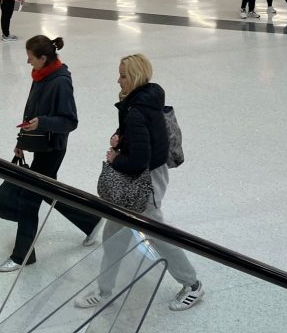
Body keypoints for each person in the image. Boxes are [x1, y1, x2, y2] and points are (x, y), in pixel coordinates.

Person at [74, 54, 204, 313]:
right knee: (113, 235)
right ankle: (104, 291)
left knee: (158, 235)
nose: (118, 79)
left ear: (133, 77)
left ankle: (192, 285)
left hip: (144, 183)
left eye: (122, 75)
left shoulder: (136, 110)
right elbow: (146, 139)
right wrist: (121, 139)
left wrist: (115, 158)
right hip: (145, 179)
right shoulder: (145, 100)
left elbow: (139, 160)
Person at [0, 35, 101, 272]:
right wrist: (21, 141)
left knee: (30, 198)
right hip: (39, 142)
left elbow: (70, 121)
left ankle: (22, 255)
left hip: (52, 147)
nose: (27, 62)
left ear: (43, 58)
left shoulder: (60, 81)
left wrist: (42, 123)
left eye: (31, 57)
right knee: (48, 190)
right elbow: (30, 110)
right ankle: (90, 220)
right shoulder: (41, 75)